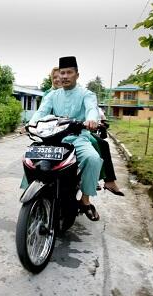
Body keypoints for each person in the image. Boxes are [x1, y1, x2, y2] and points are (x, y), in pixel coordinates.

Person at [30, 56, 102, 221]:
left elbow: (92, 109)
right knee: (32, 156)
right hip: (53, 139)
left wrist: (91, 120)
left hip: (77, 138)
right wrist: (30, 124)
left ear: (77, 75)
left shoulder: (86, 94)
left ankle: (85, 201)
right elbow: (41, 112)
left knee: (93, 158)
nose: (64, 76)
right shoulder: (52, 95)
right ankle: (35, 197)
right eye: (62, 73)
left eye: (69, 72)